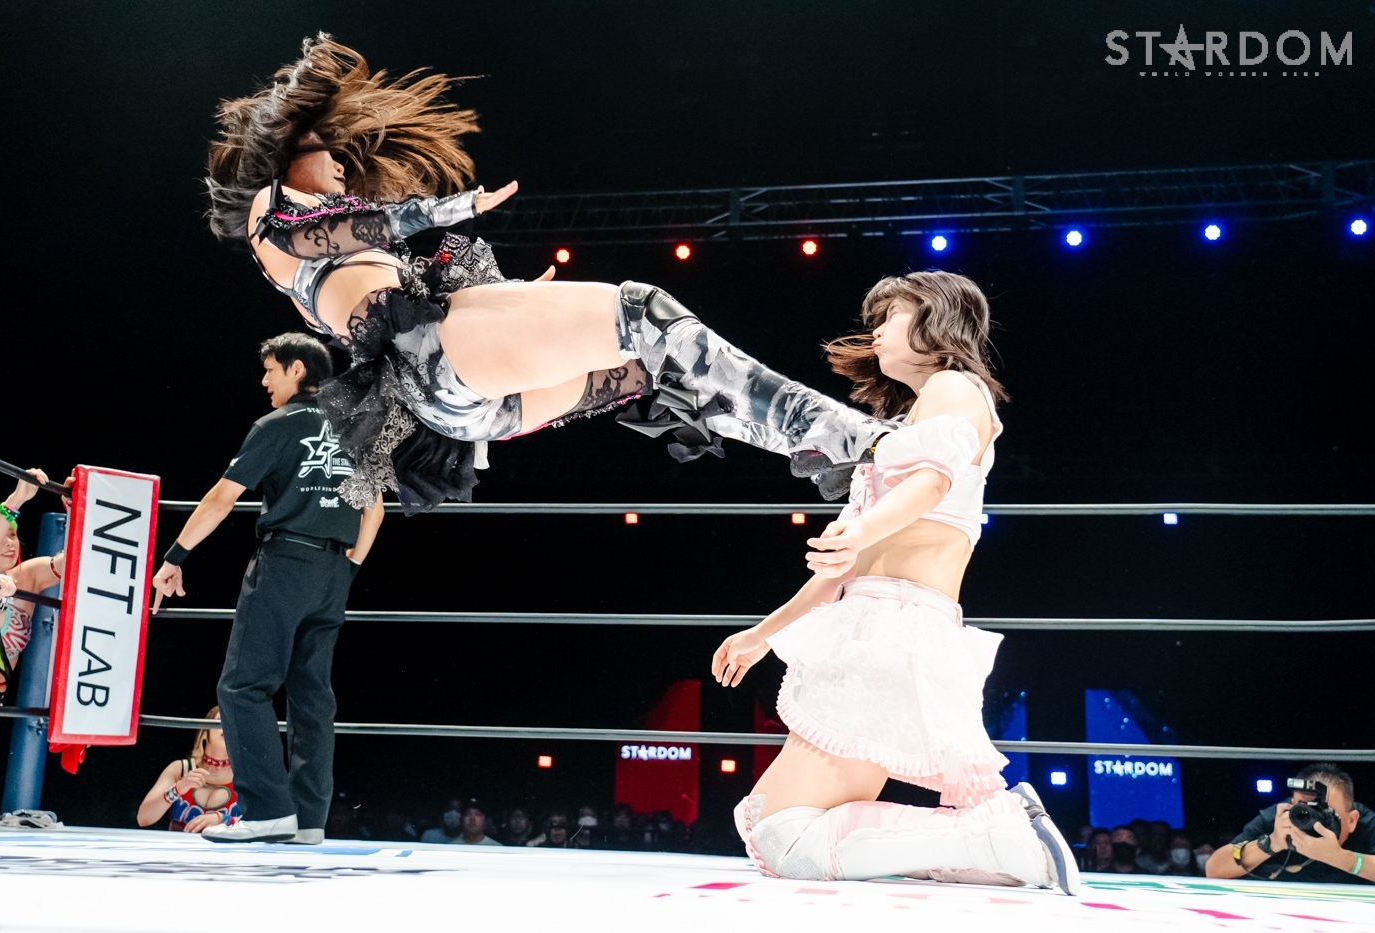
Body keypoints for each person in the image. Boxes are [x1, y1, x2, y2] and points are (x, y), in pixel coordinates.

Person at [205, 35, 894, 512]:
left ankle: (827, 452)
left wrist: (507, 302)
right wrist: (446, 210)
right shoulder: (272, 213)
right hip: (436, 363)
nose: (340, 163)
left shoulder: (336, 245)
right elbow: (349, 231)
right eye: (325, 147)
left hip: (466, 397)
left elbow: (390, 266)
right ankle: (852, 436)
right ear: (285, 148)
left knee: (650, 366)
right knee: (642, 311)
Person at [710, 272, 1077, 893]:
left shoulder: (954, 387)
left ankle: (996, 835)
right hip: (879, 622)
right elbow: (844, 568)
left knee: (784, 836)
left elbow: (931, 483)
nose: (876, 332)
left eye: (891, 317)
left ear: (936, 320)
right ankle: (994, 842)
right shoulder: (917, 417)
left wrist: (858, 531)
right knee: (773, 831)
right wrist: (762, 634)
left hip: (892, 627)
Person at [150, 333, 386, 844]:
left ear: (297, 369)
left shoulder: (276, 425)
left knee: (242, 687)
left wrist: (175, 557)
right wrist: (347, 569)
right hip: (333, 571)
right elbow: (375, 510)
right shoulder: (358, 424)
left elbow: (220, 499)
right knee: (312, 697)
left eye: (270, 370)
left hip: (285, 563)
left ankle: (268, 811)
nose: (264, 381)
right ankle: (309, 821)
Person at [0, 471, 64, 783]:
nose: (10, 542)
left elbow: (73, 563)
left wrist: (80, 512)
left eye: (13, 535)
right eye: (2, 534)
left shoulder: (27, 576)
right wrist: (16, 500)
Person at [1206, 763, 1374, 884]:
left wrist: (1341, 858)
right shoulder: (1281, 818)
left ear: (1352, 820)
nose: (1315, 821)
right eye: (1305, 812)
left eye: (1325, 813)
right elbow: (1214, 870)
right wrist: (1271, 843)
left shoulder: (1367, 824)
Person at [136, 706, 243, 832]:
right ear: (204, 733)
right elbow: (143, 819)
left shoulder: (246, 776)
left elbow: (262, 822)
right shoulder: (180, 770)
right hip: (178, 844)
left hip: (226, 846)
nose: (226, 726)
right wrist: (177, 789)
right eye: (220, 721)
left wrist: (224, 820)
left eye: (232, 722)